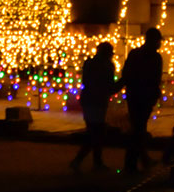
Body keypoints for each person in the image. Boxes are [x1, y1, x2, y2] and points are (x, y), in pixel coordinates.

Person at [119, 26, 163, 172]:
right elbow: (155, 79)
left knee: (138, 128)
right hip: (144, 96)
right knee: (138, 130)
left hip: (134, 95)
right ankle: (132, 164)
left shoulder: (134, 54)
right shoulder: (155, 57)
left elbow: (126, 74)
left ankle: (141, 160)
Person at [69, 42, 117, 171]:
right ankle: (82, 161)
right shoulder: (106, 66)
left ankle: (95, 162)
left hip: (88, 99)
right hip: (98, 101)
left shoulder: (89, 63)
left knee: (94, 131)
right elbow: (109, 86)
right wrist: (123, 82)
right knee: (96, 133)